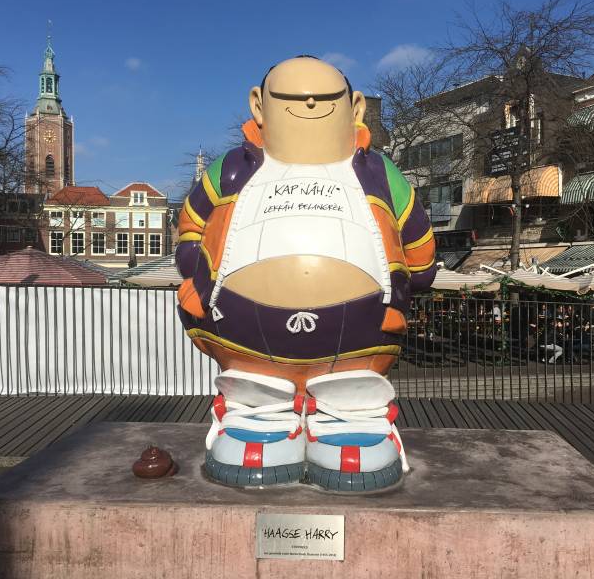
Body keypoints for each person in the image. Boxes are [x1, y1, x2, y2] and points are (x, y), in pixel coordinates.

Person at [176, 56, 435, 491]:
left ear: (355, 108)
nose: (311, 102)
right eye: (293, 98)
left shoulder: (377, 172)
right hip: (239, 331)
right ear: (258, 105)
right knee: (255, 392)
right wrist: (193, 268)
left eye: (324, 97)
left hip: (363, 333)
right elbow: (192, 222)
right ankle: (257, 413)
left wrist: (415, 276)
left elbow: (418, 240)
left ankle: (351, 416)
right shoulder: (233, 169)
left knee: (352, 394)